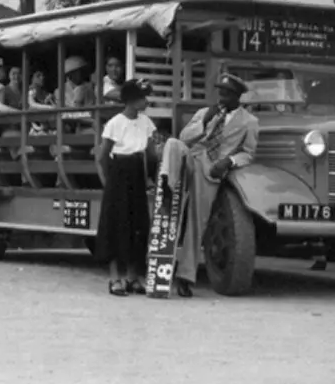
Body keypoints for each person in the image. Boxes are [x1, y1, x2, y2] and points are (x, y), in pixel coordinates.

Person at [168, 73, 260, 298]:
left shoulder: (249, 122)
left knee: (196, 221)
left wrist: (229, 161)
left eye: (227, 94)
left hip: (211, 170)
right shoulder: (204, 113)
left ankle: (185, 276)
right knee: (172, 143)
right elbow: (184, 137)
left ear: (237, 97)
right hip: (192, 159)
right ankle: (167, 185)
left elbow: (248, 154)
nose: (221, 98)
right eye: (220, 93)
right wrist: (204, 121)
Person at [95, 79, 156, 296]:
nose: (146, 101)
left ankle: (133, 277)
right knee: (116, 225)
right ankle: (115, 279)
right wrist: (108, 182)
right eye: (142, 97)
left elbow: (151, 154)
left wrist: (151, 177)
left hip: (137, 173)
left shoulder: (146, 122)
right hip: (119, 173)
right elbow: (103, 156)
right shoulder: (115, 123)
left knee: (138, 224)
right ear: (130, 100)